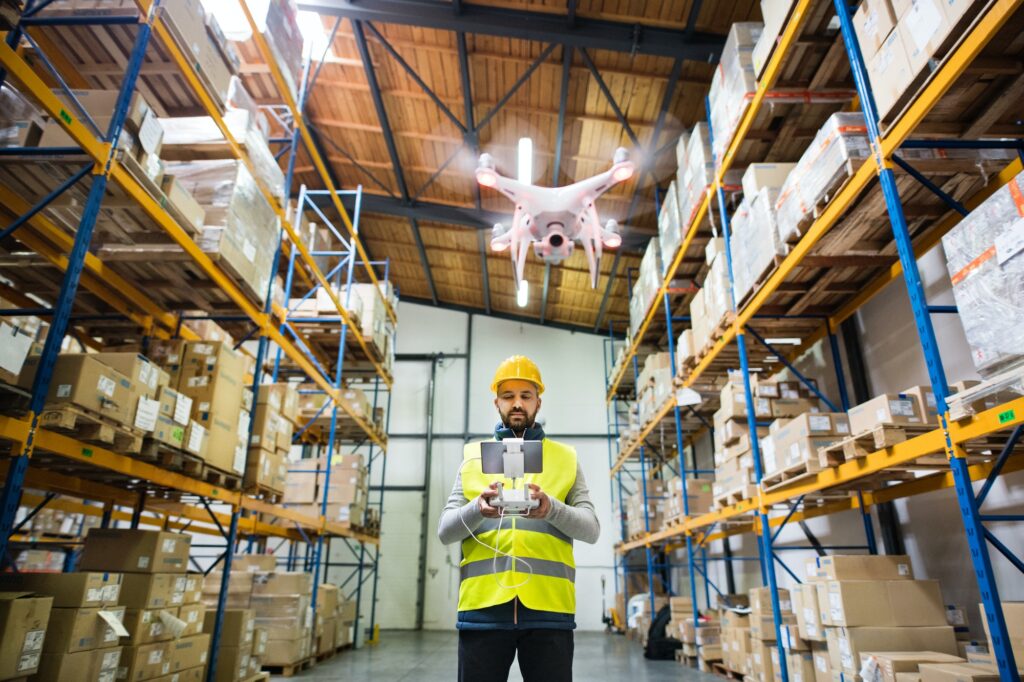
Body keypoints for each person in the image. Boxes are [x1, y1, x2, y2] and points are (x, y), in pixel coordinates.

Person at [437, 355, 600, 682]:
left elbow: (591, 529)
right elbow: (445, 531)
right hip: (482, 611)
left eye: (525, 396)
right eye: (509, 396)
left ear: (538, 401)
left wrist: (551, 508)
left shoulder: (565, 458)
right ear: (496, 401)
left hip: (548, 612)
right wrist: (476, 509)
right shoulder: (472, 456)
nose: (517, 404)